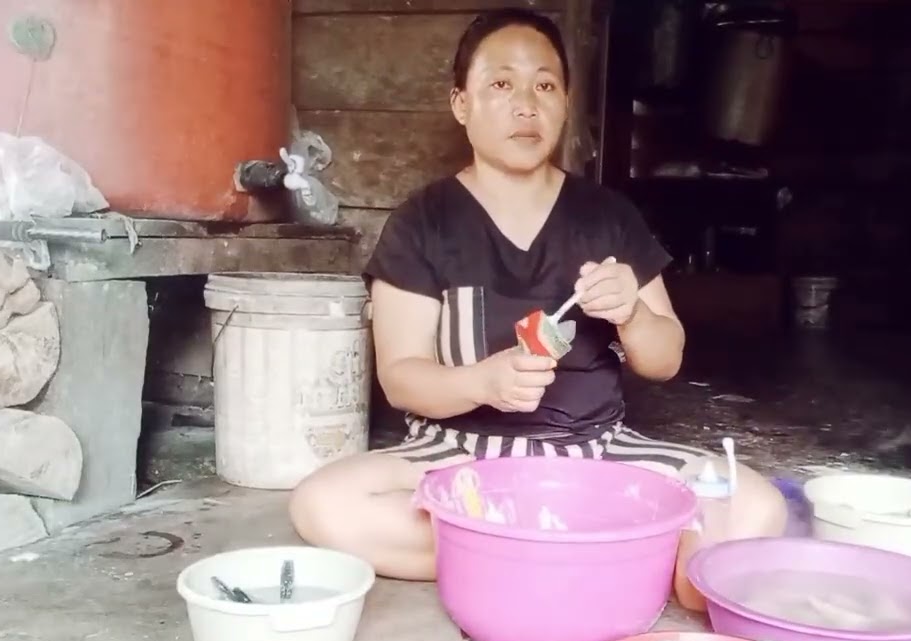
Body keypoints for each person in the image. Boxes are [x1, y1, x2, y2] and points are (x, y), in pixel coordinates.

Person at [289, 7, 788, 581]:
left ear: (565, 103)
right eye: (501, 84)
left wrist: (632, 314)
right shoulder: (423, 221)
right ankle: (609, 555)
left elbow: (665, 359)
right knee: (324, 503)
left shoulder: (608, 217)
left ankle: (504, 553)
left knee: (755, 505)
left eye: (545, 84)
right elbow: (401, 378)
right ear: (462, 104)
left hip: (596, 455)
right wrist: (482, 382)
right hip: (458, 455)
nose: (526, 103)